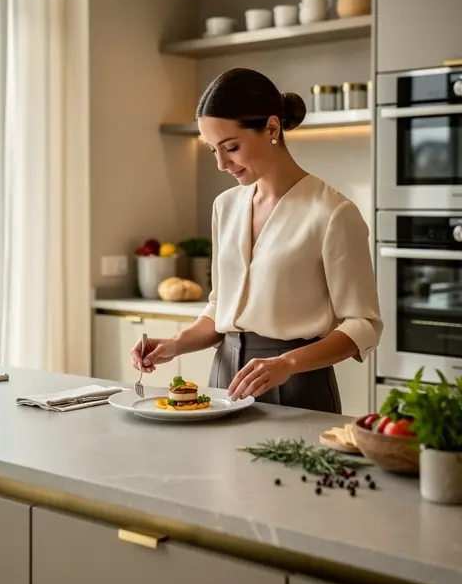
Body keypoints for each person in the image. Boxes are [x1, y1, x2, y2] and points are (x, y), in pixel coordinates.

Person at [132, 67, 382, 413]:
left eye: (231, 147)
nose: (221, 163)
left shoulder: (332, 213)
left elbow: (363, 326)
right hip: (223, 379)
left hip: (297, 385)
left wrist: (288, 364)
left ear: (271, 128)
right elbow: (221, 307)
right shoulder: (226, 206)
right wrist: (175, 345)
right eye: (212, 150)